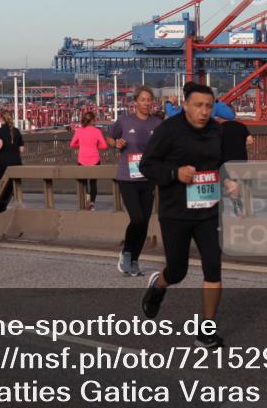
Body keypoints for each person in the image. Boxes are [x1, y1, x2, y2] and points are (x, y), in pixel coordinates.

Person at [139, 82, 226, 349]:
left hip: (209, 211)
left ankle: (206, 331)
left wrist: (230, 180)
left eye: (208, 106)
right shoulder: (169, 130)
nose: (204, 111)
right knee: (178, 272)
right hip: (176, 212)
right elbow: (146, 165)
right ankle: (159, 285)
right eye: (198, 105)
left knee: (213, 268)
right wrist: (175, 173)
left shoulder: (216, 130)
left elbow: (223, 164)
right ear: (185, 105)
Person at [107, 86, 162, 276]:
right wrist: (117, 143)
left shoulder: (157, 123)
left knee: (144, 222)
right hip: (127, 177)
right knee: (137, 218)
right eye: (143, 100)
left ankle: (134, 260)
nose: (146, 103)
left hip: (147, 178)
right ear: (136, 102)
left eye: (149, 100)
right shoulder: (124, 120)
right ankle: (126, 253)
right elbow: (110, 138)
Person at [217, 108, 253, 216]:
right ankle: (238, 205)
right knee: (235, 182)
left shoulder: (218, 128)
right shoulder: (241, 126)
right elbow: (250, 140)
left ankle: (221, 207)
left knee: (222, 183)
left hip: (224, 161)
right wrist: (241, 144)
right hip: (240, 160)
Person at [70, 111, 107, 210]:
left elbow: (72, 144)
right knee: (93, 183)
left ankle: (86, 200)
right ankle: (92, 203)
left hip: (82, 160)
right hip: (95, 159)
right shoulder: (97, 131)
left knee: (84, 183)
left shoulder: (79, 131)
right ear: (92, 120)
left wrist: (81, 145)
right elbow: (104, 145)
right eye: (94, 119)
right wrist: (95, 146)